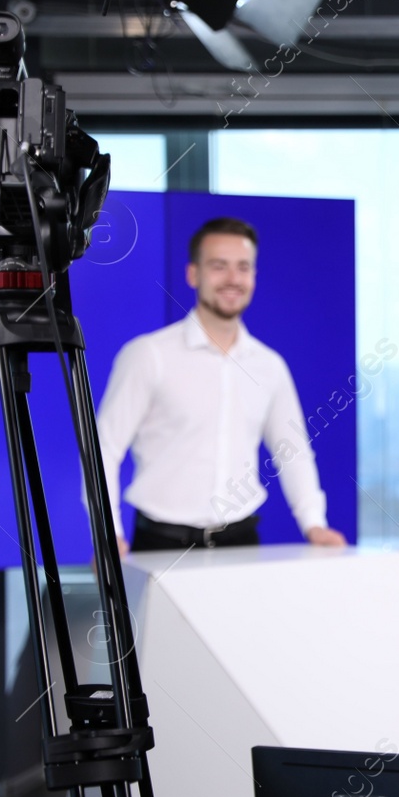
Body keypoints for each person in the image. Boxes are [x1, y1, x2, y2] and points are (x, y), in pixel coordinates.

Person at [95, 217, 347, 554]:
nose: (233, 279)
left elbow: (294, 452)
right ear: (193, 274)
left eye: (243, 267)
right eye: (219, 266)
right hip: (160, 544)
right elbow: (103, 450)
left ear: (254, 276)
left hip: (241, 543)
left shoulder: (269, 366)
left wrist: (314, 524)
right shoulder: (148, 355)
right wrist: (108, 533)